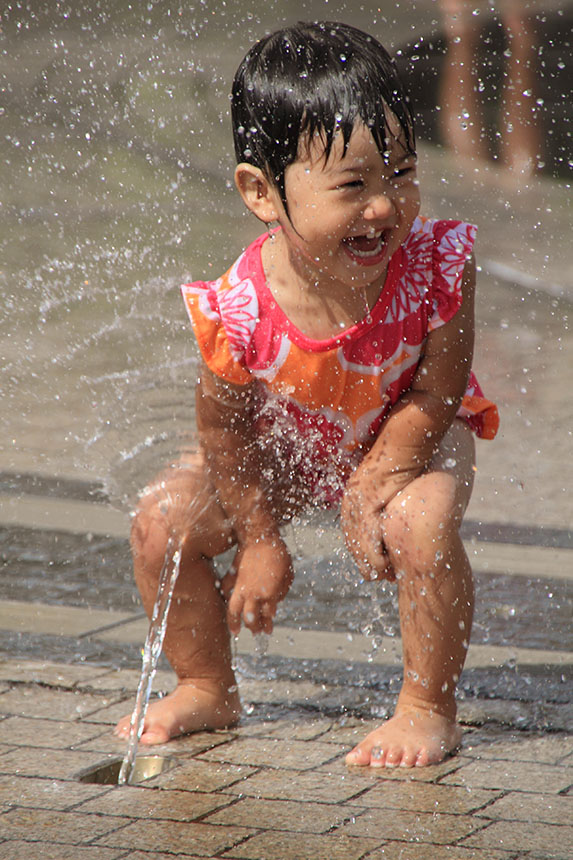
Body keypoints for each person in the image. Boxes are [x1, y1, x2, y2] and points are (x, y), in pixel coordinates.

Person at [115, 21, 499, 768]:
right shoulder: (239, 309)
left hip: (410, 426)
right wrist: (259, 540)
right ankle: (205, 685)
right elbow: (225, 433)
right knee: (161, 525)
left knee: (420, 523)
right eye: (353, 185)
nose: (385, 208)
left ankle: (427, 707)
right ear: (263, 193)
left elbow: (440, 387)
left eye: (402, 174)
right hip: (285, 447)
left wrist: (378, 480)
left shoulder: (437, 264)